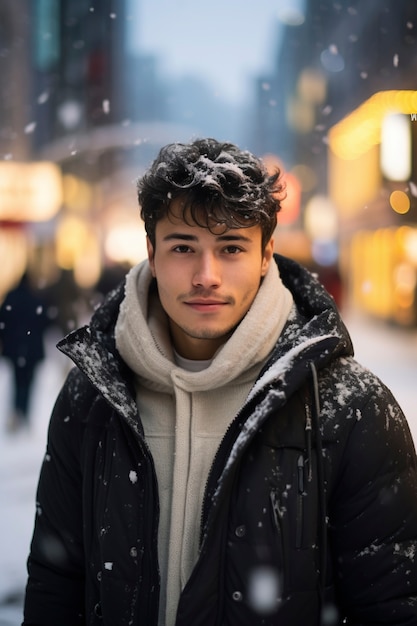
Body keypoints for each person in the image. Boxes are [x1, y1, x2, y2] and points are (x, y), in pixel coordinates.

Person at [23, 138, 417, 626]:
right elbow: (54, 586)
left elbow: (392, 605)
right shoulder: (91, 397)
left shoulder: (350, 408)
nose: (206, 276)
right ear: (150, 250)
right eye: (183, 247)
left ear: (266, 253)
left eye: (231, 248)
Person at [0, 272, 50, 430]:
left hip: (15, 348)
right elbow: (45, 321)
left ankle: (16, 412)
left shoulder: (11, 297)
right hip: (32, 349)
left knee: (17, 381)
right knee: (29, 383)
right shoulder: (36, 299)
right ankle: (25, 413)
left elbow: (3, 320)